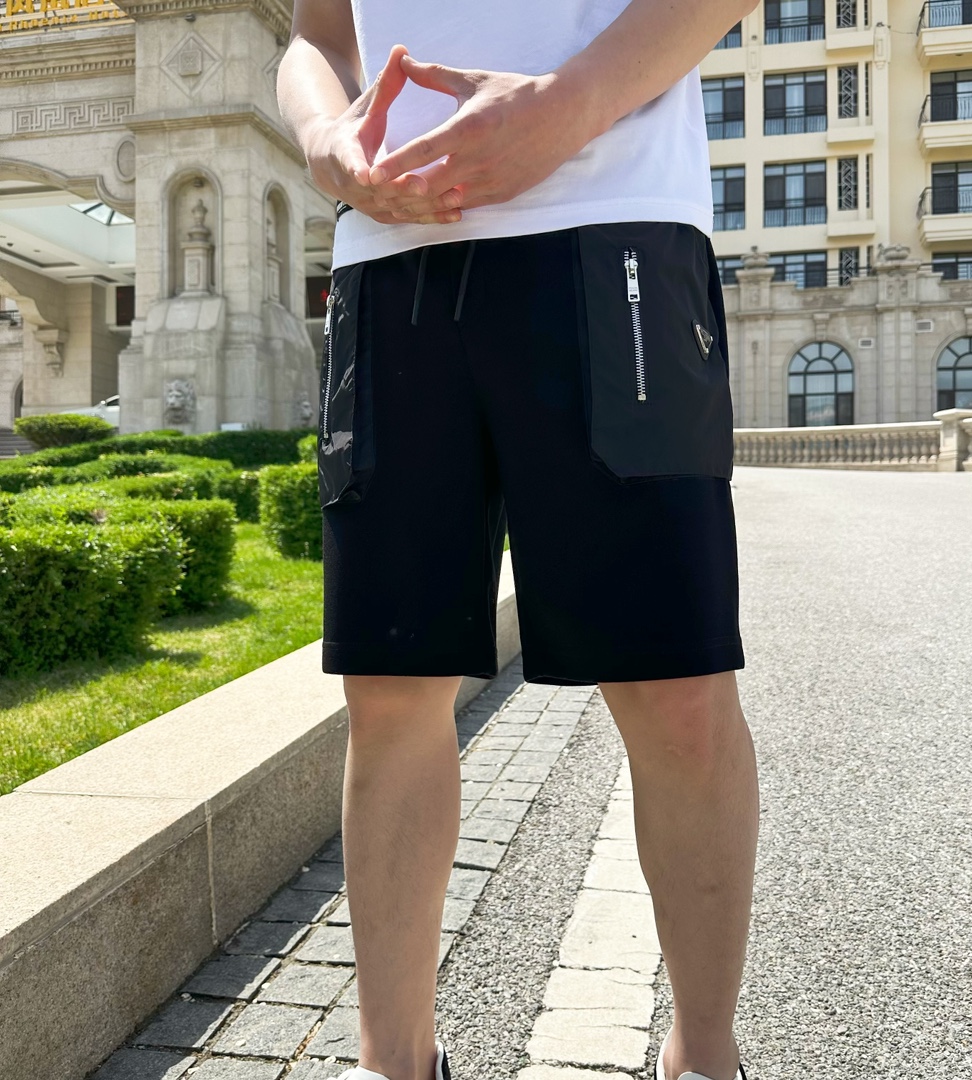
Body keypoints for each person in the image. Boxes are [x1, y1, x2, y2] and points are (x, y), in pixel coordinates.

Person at [276, 1, 761, 1079]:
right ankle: (395, 1064)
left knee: (677, 693)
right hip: (389, 257)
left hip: (615, 222)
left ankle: (705, 1056)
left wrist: (569, 105)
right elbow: (317, 35)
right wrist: (323, 139)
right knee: (389, 690)